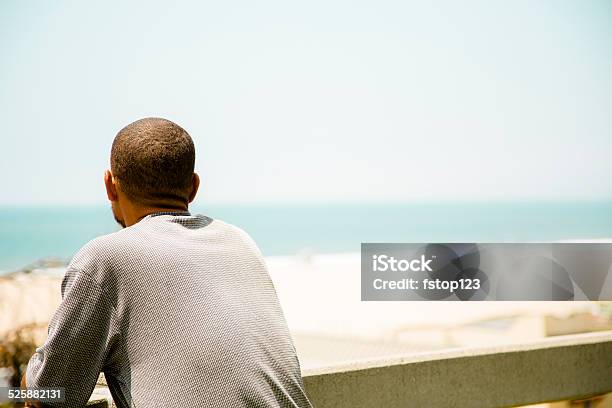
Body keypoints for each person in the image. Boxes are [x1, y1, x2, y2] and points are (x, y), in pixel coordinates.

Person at [23, 118, 312, 408]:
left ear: (110, 186)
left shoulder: (105, 258)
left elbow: (48, 396)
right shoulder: (240, 242)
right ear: (194, 187)